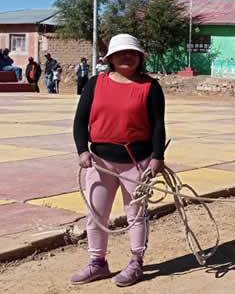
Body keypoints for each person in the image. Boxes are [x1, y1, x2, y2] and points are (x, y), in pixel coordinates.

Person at [71, 33, 166, 287]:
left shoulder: (150, 87)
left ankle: (136, 262)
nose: (126, 57)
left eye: (132, 53)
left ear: (140, 58)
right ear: (110, 58)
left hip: (138, 162)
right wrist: (82, 150)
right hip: (100, 162)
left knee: (135, 214)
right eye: (120, 53)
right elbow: (80, 121)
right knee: (96, 213)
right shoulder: (95, 84)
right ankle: (97, 263)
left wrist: (157, 157)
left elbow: (158, 125)